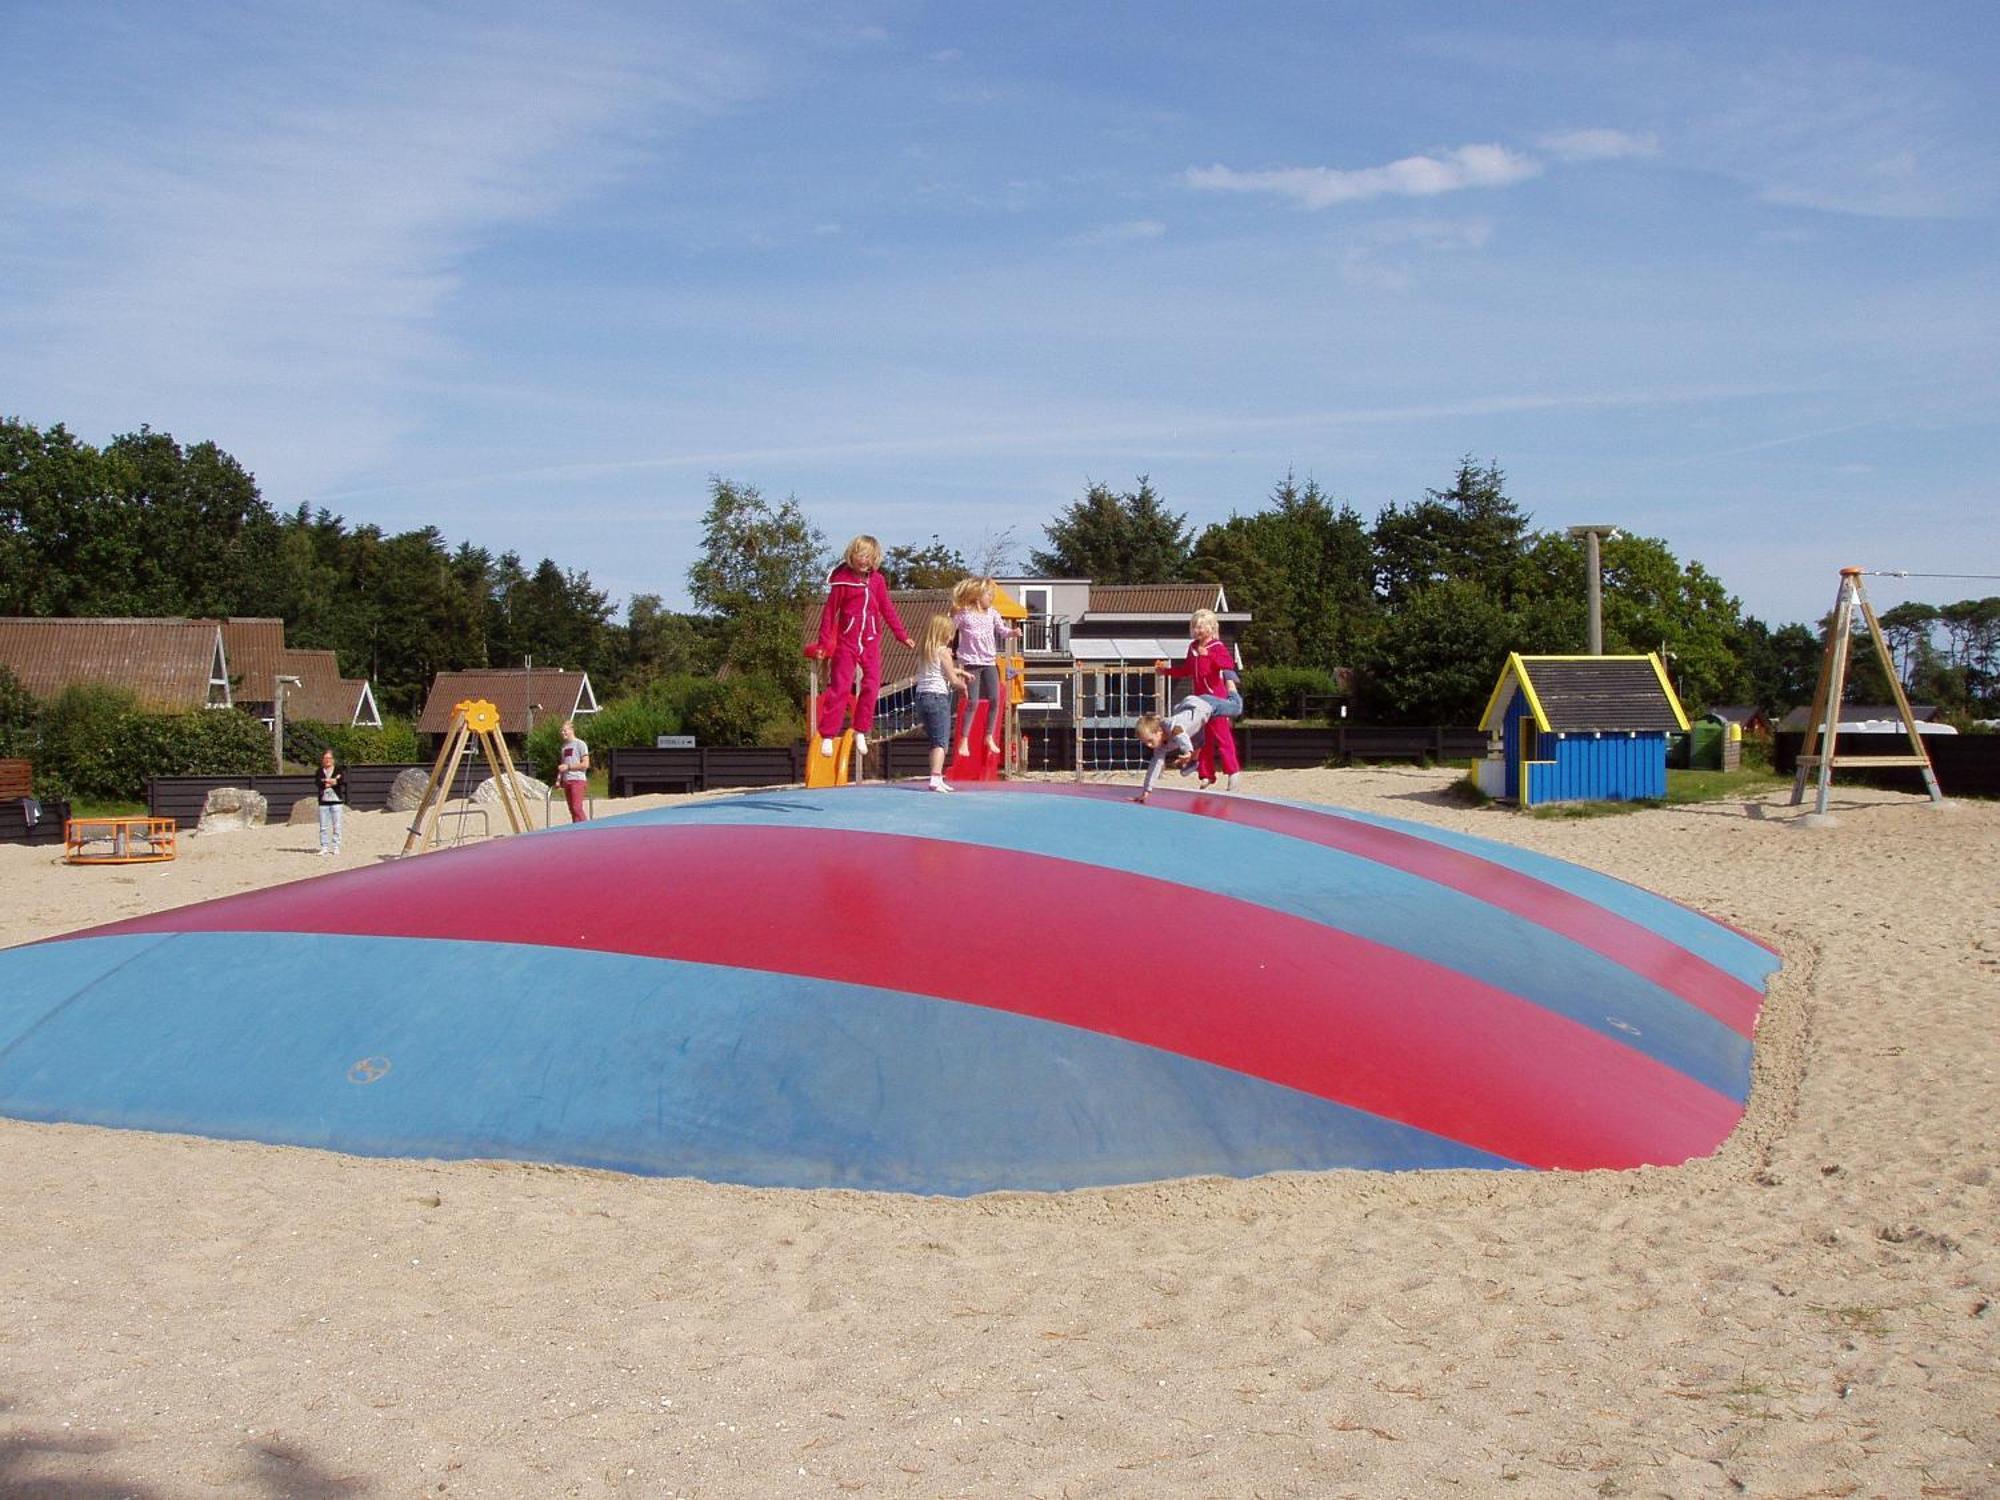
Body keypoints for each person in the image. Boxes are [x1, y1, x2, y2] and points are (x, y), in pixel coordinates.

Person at [807, 535, 915, 761]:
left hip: (870, 640)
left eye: (869, 556)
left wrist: (901, 635)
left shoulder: (877, 581)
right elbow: (829, 614)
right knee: (841, 686)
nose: (864, 560)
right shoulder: (842, 582)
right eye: (860, 555)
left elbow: (887, 609)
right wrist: (824, 643)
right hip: (847, 641)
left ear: (874, 559)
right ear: (852, 555)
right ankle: (827, 733)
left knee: (872, 685)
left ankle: (861, 729)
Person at [1156, 608, 1243, 791]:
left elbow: (1227, 665)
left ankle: (1233, 772)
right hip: (1199, 701)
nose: (1198, 631)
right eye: (1195, 627)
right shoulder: (1193, 648)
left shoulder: (1216, 647)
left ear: (1211, 628)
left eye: (1201, 627)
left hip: (1215, 698)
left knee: (1222, 737)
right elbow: (1187, 669)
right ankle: (1206, 774)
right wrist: (1167, 671)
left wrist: (1208, 656)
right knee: (1203, 738)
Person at [950, 576, 1017, 758]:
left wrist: (1012, 632)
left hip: (988, 662)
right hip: (971, 663)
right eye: (988, 594)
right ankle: (964, 739)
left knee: (995, 699)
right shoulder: (964, 614)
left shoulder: (993, 614)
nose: (991, 598)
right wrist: (946, 647)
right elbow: (950, 631)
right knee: (972, 702)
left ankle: (988, 736)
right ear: (978, 596)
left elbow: (1002, 631)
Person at [913, 613, 971, 792]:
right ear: (944, 633)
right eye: (950, 633)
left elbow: (939, 668)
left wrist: (959, 672)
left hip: (922, 697)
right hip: (937, 698)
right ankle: (936, 778)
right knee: (941, 742)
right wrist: (963, 687)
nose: (951, 637)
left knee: (934, 741)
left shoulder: (926, 650)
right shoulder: (944, 651)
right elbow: (952, 680)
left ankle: (935, 775)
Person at [1132, 698, 1215, 803]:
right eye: (1145, 743)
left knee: (1235, 707)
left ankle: (1232, 692)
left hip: (1201, 707)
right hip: (1196, 728)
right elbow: (1155, 766)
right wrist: (1146, 791)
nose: (1149, 745)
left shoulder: (1172, 726)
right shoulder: (1159, 747)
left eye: (1150, 741)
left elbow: (1181, 736)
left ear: (1159, 731)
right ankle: (1192, 763)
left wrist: (1188, 751)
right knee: (1199, 741)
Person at [313, 749, 346, 856]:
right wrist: (330, 782)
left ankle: (336, 846)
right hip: (324, 802)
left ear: (333, 760)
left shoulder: (338, 770)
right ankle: (324, 847)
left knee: (337, 825)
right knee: (323, 826)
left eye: (329, 758)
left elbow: (341, 781)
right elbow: (318, 782)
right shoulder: (319, 771)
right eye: (325, 758)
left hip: (336, 801)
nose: (327, 760)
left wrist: (331, 781)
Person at [557, 720, 590, 822]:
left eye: (565, 730)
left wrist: (569, 767)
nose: (563, 733)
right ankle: (576, 832)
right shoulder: (564, 747)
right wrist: (559, 779)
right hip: (567, 780)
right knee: (572, 810)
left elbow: (585, 764)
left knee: (577, 808)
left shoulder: (580, 744)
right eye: (561, 731)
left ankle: (587, 828)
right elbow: (562, 765)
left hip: (578, 780)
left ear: (571, 730)